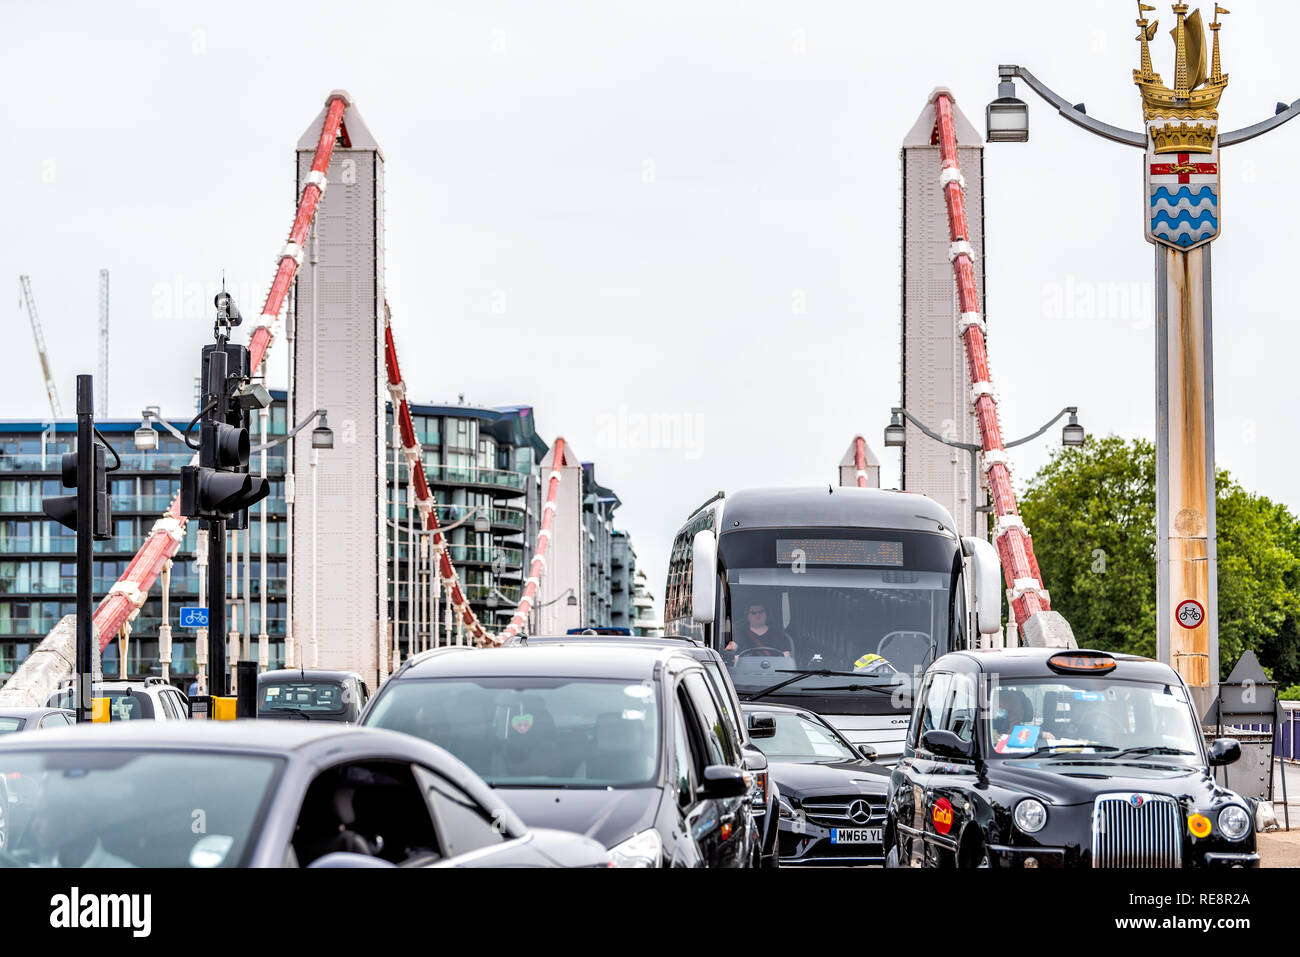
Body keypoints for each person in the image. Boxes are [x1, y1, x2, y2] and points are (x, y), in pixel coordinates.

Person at [725, 602, 793, 658]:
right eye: (753, 612)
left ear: (766, 614)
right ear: (747, 616)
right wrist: (734, 657)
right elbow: (729, 650)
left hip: (773, 672)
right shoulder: (739, 634)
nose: (758, 615)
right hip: (746, 672)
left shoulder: (778, 634)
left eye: (761, 612)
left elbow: (786, 657)